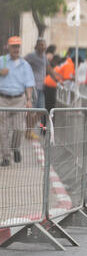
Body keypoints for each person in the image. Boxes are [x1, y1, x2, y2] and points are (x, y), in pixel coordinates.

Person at [0, 36, 35, 166]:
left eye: (17, 46)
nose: (16, 49)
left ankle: (15, 148)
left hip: (19, 99)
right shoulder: (2, 61)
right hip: (3, 99)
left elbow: (29, 83)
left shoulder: (25, 65)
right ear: (8, 47)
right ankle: (6, 157)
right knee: (2, 130)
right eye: (13, 46)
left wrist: (29, 100)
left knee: (19, 129)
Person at [24, 37, 61, 139]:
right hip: (33, 88)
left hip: (41, 88)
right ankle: (28, 131)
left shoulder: (44, 57)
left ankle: (28, 130)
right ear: (36, 46)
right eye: (41, 44)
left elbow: (49, 69)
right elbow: (22, 64)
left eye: (44, 44)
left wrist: (57, 80)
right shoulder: (31, 56)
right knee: (31, 111)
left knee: (41, 111)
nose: (43, 46)